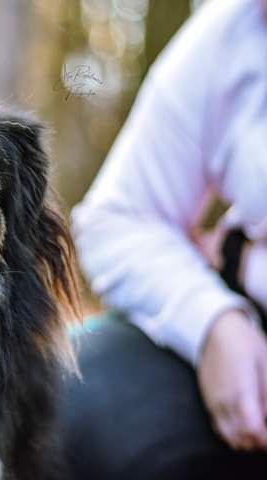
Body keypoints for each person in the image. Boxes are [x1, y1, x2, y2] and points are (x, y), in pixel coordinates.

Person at [60, 0, 267, 478]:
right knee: (64, 396)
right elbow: (121, 218)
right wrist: (212, 322)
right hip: (249, 321)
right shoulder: (230, 32)